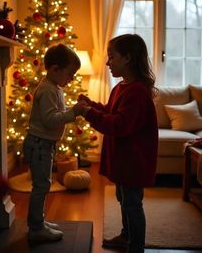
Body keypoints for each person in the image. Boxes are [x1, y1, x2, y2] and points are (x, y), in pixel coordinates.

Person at [77, 34, 158, 253]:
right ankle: (126, 235)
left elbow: (120, 125)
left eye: (111, 57)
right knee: (123, 198)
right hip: (124, 160)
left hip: (134, 161)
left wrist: (88, 114)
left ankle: (136, 246)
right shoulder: (121, 87)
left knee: (132, 204)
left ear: (128, 58)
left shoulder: (138, 92)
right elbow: (110, 111)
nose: (107, 62)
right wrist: (91, 105)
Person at [23, 43, 83, 243]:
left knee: (43, 185)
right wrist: (72, 113)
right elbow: (50, 120)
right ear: (55, 69)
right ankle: (36, 228)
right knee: (41, 186)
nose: (71, 78)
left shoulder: (53, 87)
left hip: (43, 144)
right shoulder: (48, 90)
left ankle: (38, 222)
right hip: (40, 144)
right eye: (70, 74)